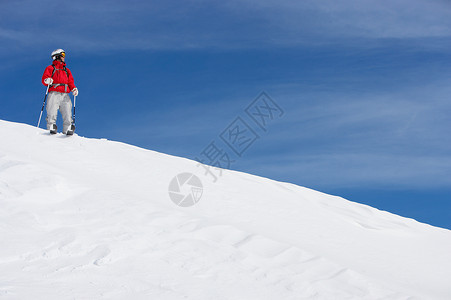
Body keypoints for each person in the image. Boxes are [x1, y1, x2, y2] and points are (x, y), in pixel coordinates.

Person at [41, 49, 78, 134]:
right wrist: (47, 80)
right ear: (57, 56)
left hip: (65, 94)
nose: (64, 57)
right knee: (52, 110)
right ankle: (51, 126)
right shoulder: (50, 68)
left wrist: (74, 89)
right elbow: (44, 79)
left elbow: (70, 82)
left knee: (67, 112)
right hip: (54, 93)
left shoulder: (66, 70)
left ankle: (68, 128)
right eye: (62, 55)